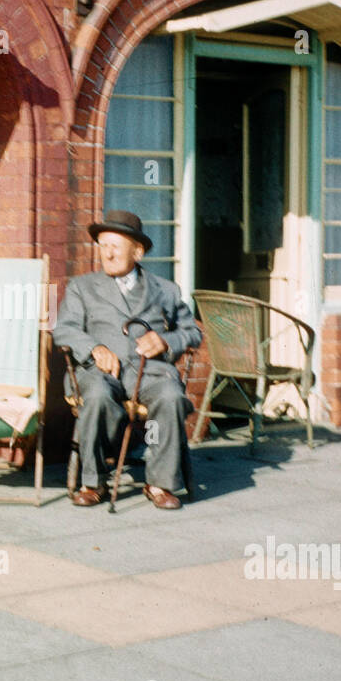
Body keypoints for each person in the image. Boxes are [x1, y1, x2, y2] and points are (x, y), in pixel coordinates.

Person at [53, 210, 202, 508]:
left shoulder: (166, 290)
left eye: (115, 246)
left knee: (171, 397)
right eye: (102, 246)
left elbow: (192, 333)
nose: (107, 254)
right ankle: (93, 481)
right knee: (95, 397)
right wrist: (94, 348)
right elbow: (63, 329)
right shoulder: (82, 287)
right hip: (98, 371)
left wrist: (165, 340)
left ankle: (159, 482)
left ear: (137, 250)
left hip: (149, 372)